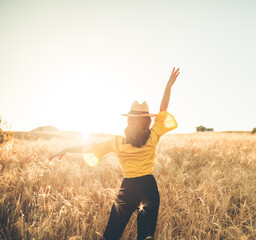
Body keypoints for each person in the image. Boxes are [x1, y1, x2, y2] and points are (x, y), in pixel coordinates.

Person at [50, 67, 180, 240]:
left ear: (129, 120)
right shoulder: (153, 135)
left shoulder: (116, 142)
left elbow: (91, 146)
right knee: (145, 237)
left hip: (128, 188)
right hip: (149, 186)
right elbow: (163, 110)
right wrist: (168, 86)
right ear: (148, 121)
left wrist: (66, 149)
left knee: (111, 235)